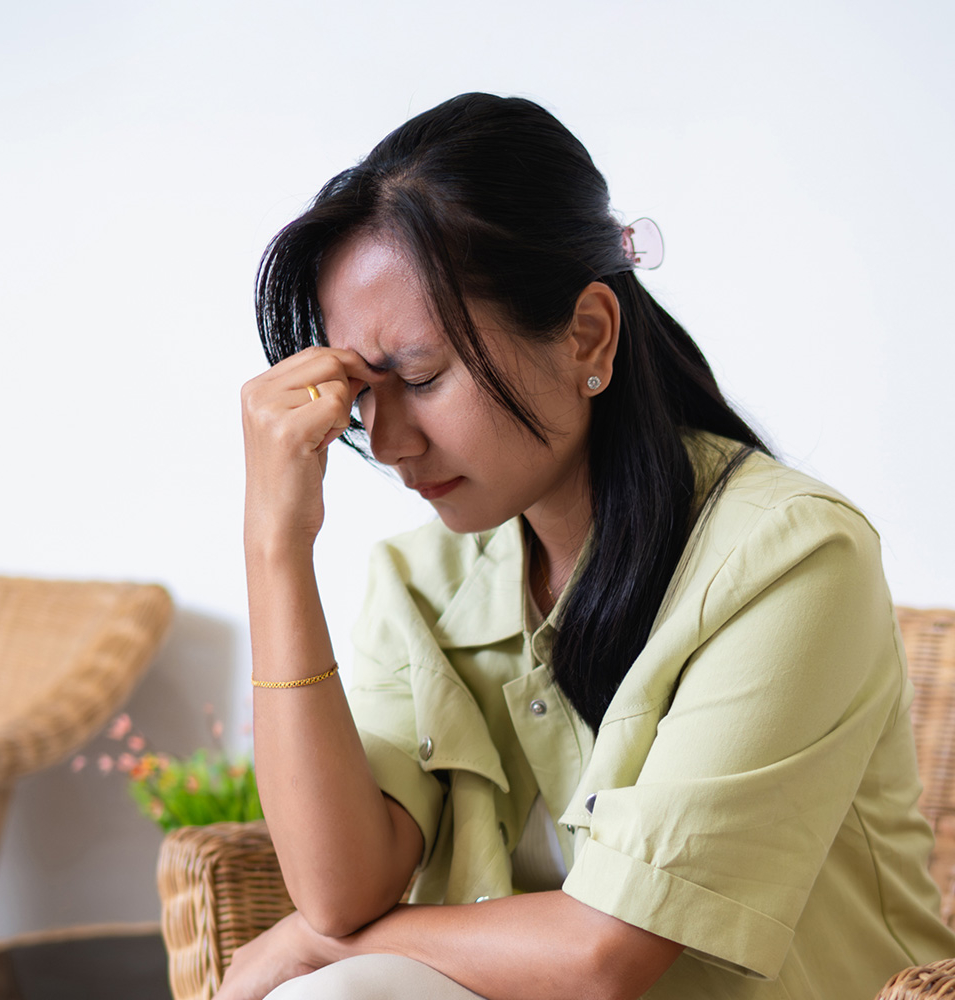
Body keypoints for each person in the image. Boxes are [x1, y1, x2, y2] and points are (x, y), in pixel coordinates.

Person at [220, 93, 955, 1000]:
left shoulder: (790, 559)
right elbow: (340, 892)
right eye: (363, 395)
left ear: (587, 336)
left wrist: (320, 948)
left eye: (421, 377)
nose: (391, 437)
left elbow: (604, 958)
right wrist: (273, 544)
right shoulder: (420, 581)